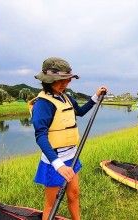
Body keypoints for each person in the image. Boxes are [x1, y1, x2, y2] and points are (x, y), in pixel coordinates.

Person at [29, 57, 107, 220]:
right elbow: (41, 136)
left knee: (74, 195)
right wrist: (57, 164)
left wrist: (95, 96)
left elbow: (80, 111)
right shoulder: (42, 104)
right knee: (51, 204)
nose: (64, 84)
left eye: (66, 80)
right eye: (60, 81)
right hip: (54, 161)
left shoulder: (65, 97)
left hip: (72, 157)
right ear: (48, 81)